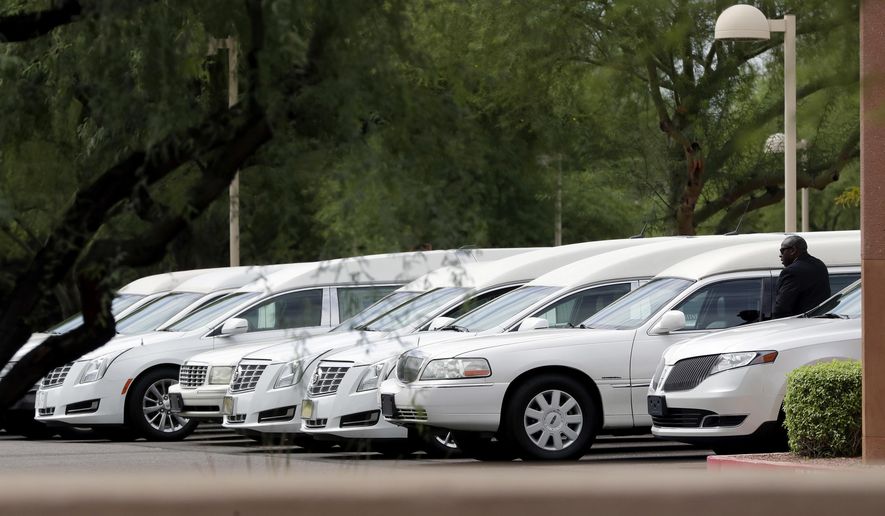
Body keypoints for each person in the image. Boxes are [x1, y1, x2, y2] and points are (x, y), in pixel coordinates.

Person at [772, 235, 830, 318]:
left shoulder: (791, 271)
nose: (780, 255)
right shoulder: (819, 265)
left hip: (797, 325)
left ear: (793, 250)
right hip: (819, 321)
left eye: (782, 250)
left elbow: (781, 309)